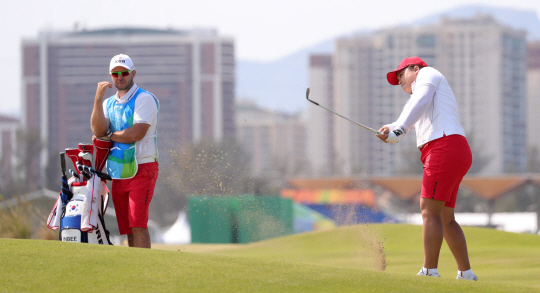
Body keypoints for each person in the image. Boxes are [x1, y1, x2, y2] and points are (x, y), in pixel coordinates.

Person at [376, 57, 478, 281]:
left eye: (402, 76)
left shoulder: (428, 74)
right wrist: (391, 128)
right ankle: (466, 274)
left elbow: (419, 103)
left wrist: (400, 131)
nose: (401, 83)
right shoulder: (419, 91)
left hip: (444, 147)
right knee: (445, 216)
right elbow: (409, 114)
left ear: (415, 69)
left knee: (428, 210)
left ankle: (429, 272)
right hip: (454, 149)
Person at [91, 54, 159, 248]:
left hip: (143, 167)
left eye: (124, 73)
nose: (119, 77)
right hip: (119, 171)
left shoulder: (144, 98)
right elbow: (98, 131)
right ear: (111, 76)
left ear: (133, 73)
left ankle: (144, 267)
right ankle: (134, 267)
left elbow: (136, 133)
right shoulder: (108, 103)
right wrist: (98, 99)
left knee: (138, 223)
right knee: (127, 227)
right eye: (115, 73)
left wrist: (109, 136)